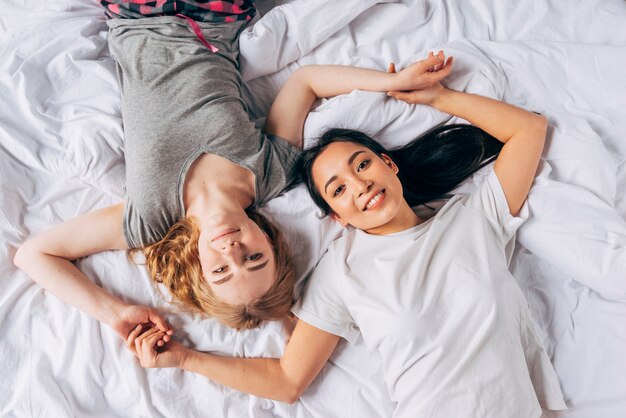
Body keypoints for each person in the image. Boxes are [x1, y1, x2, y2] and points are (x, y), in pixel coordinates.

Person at [129, 52, 567, 417]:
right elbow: (287, 380)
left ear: (388, 164)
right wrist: (185, 358)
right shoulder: (343, 271)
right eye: (338, 189)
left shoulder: (474, 218)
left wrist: (440, 96)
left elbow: (528, 129)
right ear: (336, 216)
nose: (360, 186)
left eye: (362, 164)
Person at [12, 0, 452, 350]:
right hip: (216, 16)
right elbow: (307, 82)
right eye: (253, 258)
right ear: (269, 240)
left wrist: (115, 314)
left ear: (200, 267)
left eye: (221, 270)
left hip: (137, 16)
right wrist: (393, 82)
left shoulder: (151, 219)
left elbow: (35, 255)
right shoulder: (272, 174)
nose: (231, 249)